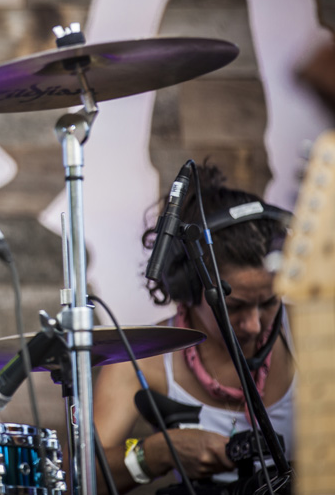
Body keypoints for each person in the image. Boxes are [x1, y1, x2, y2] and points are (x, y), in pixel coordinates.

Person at [93, 163, 294, 494]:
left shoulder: (313, 334)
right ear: (186, 289)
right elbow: (79, 476)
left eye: (270, 302)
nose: (254, 324)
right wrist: (155, 453)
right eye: (234, 307)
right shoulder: (140, 359)